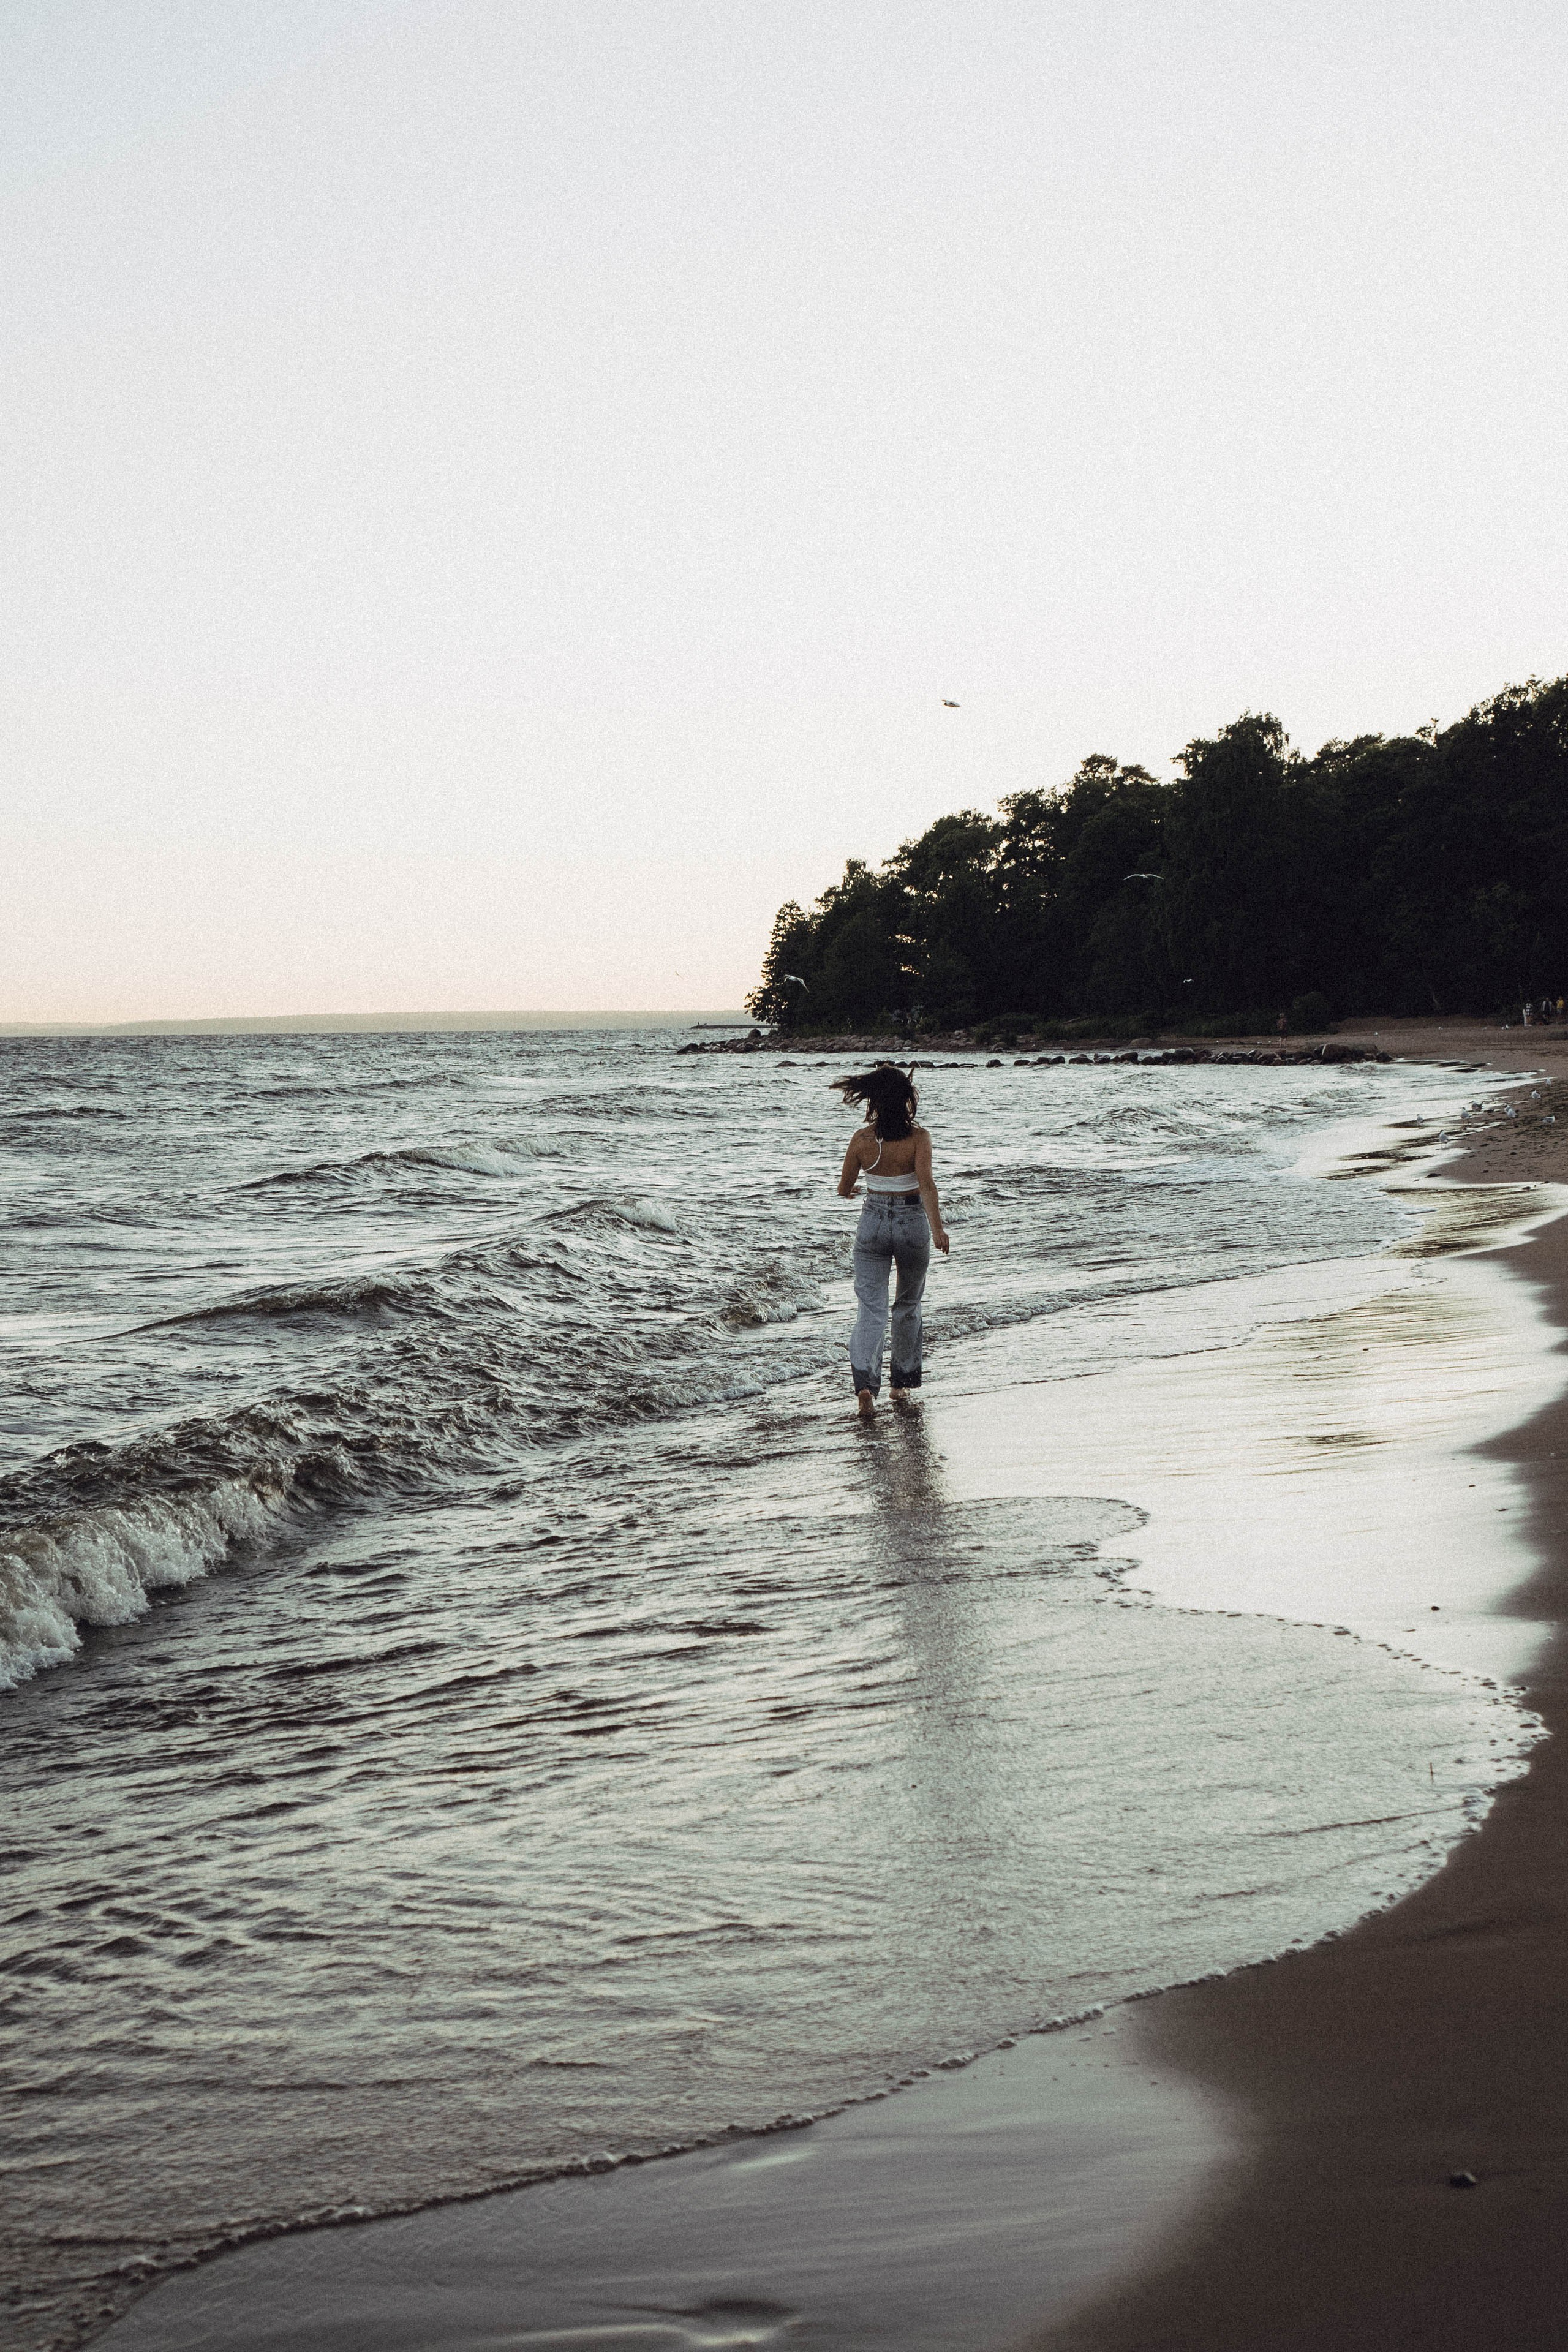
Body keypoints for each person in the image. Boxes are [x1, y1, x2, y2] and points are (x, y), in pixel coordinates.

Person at [835, 1064, 950, 1420]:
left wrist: (856, 1190)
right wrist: (939, 1229)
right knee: (908, 1304)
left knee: (871, 1309)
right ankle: (901, 1384)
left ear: (873, 1101)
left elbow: (843, 1189)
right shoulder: (920, 1138)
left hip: (872, 1224)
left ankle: (865, 1387)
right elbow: (927, 1185)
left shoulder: (861, 1140)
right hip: (913, 1222)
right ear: (905, 1100)